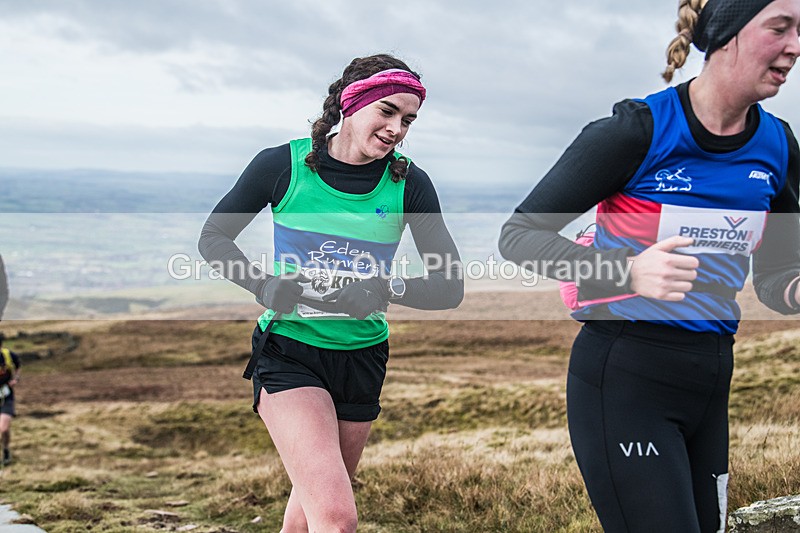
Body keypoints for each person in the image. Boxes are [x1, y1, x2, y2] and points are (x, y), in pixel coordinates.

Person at [499, 1, 800, 531]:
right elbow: (520, 237)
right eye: (780, 28)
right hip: (626, 374)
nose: (795, 46)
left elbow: (778, 278)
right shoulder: (637, 129)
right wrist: (628, 272)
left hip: (711, 375)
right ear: (726, 34)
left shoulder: (777, 145)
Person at [198, 54, 463, 532]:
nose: (397, 128)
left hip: (361, 358)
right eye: (387, 112)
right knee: (337, 519)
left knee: (307, 518)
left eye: (408, 120)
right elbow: (213, 237)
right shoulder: (284, 165)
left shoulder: (409, 183)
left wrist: (385, 289)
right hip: (290, 350)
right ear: (351, 103)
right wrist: (262, 284)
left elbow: (450, 284)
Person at [0, 332, 21, 467]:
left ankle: (6, 450)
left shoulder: (8, 355)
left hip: (6, 396)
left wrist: (15, 379)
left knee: (3, 429)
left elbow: (18, 366)